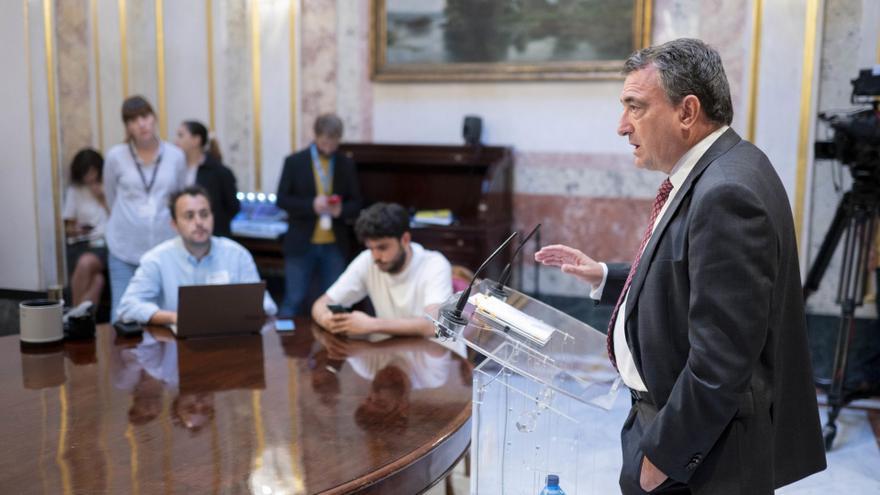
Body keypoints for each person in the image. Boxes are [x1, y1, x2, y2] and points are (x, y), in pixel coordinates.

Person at [535, 38, 825, 494]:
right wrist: (609, 277)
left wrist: (661, 460)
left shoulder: (726, 193)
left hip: (702, 457)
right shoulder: (725, 166)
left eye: (635, 107)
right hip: (681, 432)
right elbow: (692, 277)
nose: (621, 126)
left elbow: (721, 359)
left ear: (687, 112)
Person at [117, 186, 277, 325]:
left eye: (204, 214)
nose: (199, 222)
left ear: (213, 217)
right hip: (175, 347)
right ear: (174, 224)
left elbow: (267, 305)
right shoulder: (157, 259)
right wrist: (174, 318)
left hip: (229, 340)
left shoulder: (237, 255)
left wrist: (234, 313)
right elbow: (128, 307)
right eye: (189, 216)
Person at [311, 202, 452, 338]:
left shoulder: (434, 264)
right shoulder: (367, 260)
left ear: (405, 239)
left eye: (382, 247)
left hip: (438, 356)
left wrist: (372, 325)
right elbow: (321, 304)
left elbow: (435, 325)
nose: (375, 256)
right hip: (393, 353)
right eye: (370, 248)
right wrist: (327, 320)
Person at [103, 96, 186, 322]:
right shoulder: (115, 157)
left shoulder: (175, 156)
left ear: (154, 118)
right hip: (124, 249)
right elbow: (110, 197)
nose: (141, 124)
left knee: (162, 314)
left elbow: (180, 198)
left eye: (145, 117)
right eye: (132, 120)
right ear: (127, 127)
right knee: (121, 316)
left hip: (164, 248)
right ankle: (118, 359)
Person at [276, 113, 362, 317]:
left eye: (334, 141)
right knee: (293, 298)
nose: (329, 146)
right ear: (315, 136)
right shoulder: (295, 161)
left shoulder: (345, 164)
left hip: (334, 243)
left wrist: (341, 210)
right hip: (301, 242)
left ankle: (334, 346)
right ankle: (285, 345)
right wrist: (310, 205)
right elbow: (281, 200)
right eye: (325, 140)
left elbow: (357, 203)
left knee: (336, 300)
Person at [174, 120, 241, 237]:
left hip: (214, 236)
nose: (176, 141)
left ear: (196, 140)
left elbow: (233, 207)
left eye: (181, 135)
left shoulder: (219, 171)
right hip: (184, 236)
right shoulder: (176, 168)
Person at [63, 148, 109, 307]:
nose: (89, 176)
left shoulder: (108, 186)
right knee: (98, 280)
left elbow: (119, 218)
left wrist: (102, 197)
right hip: (80, 242)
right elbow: (68, 227)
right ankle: (82, 323)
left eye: (92, 172)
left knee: (85, 263)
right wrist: (78, 230)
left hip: (103, 244)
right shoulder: (75, 191)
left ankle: (72, 315)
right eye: (85, 173)